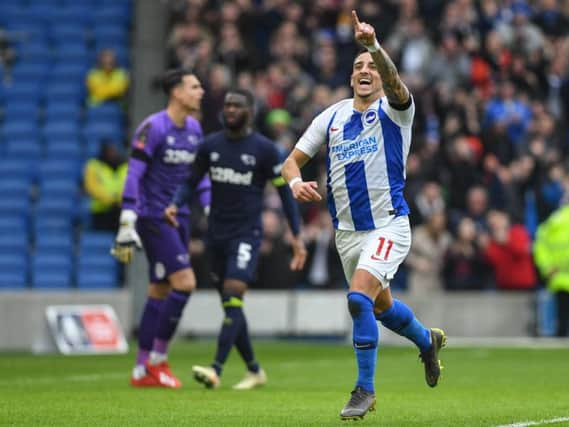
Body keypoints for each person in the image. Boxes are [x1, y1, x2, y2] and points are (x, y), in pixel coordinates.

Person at [281, 11, 446, 421]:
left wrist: (373, 45)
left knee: (357, 298)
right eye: (358, 66)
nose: (365, 70)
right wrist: (294, 183)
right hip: (347, 234)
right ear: (351, 77)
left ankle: (364, 391)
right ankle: (426, 341)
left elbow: (395, 82)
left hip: (389, 224)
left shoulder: (395, 110)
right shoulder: (332, 117)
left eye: (371, 65)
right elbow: (291, 162)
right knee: (379, 308)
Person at [165, 88, 306, 390]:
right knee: (232, 306)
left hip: (246, 235)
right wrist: (176, 203)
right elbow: (189, 182)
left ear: (250, 111)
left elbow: (285, 195)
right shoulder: (209, 146)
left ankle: (216, 368)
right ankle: (254, 370)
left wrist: (296, 234)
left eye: (236, 105)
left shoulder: (266, 150)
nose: (229, 109)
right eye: (227, 104)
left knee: (233, 294)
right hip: (216, 237)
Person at [111, 69, 210, 388]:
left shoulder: (194, 129)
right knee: (185, 282)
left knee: (160, 289)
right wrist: (127, 219)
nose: (202, 91)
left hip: (179, 216)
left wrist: (209, 206)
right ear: (177, 93)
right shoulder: (152, 127)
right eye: (195, 87)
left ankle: (141, 370)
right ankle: (158, 360)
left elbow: (198, 176)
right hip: (153, 216)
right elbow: (133, 174)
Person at [534, 204, 569, 337]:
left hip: (558, 276)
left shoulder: (555, 219)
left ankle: (557, 332)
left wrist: (547, 267)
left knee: (561, 317)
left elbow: (540, 243)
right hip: (560, 277)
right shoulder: (556, 220)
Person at [83, 142, 127, 231]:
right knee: (101, 240)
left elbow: (130, 185)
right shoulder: (94, 165)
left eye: (113, 151)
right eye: (109, 151)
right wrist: (111, 200)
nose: (112, 153)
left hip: (121, 210)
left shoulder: (125, 165)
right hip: (100, 211)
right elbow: (92, 187)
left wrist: (119, 199)